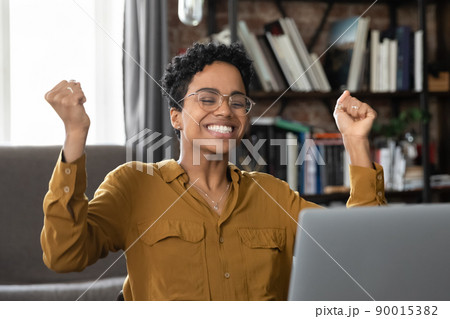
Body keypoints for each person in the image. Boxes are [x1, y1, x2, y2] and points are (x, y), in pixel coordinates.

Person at [41, 42, 386, 301]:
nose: (225, 111)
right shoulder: (133, 184)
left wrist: (355, 142)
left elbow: (360, 254)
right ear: (176, 116)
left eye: (237, 102)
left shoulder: (273, 195)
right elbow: (65, 255)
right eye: (207, 99)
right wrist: (75, 135)